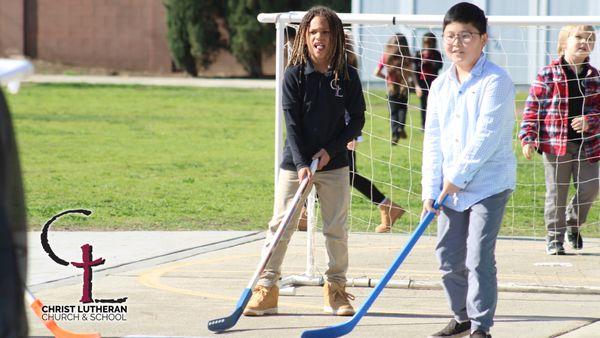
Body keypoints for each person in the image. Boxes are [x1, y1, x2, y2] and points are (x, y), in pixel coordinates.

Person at [243, 6, 365, 317]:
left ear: (335, 36)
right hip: (296, 164)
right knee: (280, 226)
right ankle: (266, 289)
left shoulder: (348, 75)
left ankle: (336, 291)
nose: (319, 38)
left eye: (325, 32)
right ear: (304, 37)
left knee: (335, 229)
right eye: (313, 33)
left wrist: (329, 152)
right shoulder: (294, 75)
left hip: (334, 163)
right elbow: (292, 124)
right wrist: (301, 164)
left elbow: (357, 121)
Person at [421, 3, 516, 338]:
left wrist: (456, 178)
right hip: (448, 190)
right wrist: (431, 189)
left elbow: (486, 137)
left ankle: (481, 325)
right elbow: (433, 139)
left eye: (465, 36)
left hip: (488, 185)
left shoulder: (496, 81)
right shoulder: (439, 86)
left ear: (483, 39)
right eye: (450, 36)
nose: (456, 43)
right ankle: (461, 316)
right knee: (447, 257)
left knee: (477, 257)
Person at [297, 33, 405, 234]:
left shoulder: (343, 65)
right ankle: (386, 206)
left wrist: (352, 136)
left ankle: (304, 213)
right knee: (342, 173)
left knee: (337, 172)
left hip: (341, 131)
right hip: (337, 131)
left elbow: (347, 105)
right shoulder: (338, 61)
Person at [519, 25, 600, 255]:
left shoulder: (594, 76)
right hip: (556, 144)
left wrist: (589, 120)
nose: (585, 41)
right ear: (564, 42)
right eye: (579, 37)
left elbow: (598, 109)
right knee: (557, 192)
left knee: (591, 187)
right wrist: (528, 137)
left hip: (588, 144)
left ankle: (572, 225)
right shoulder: (547, 73)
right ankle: (554, 238)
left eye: (590, 38)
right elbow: (532, 107)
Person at [375, 33, 421, 144]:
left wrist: (387, 78)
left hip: (391, 88)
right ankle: (400, 127)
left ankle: (395, 134)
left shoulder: (385, 57)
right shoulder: (407, 58)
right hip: (403, 87)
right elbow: (412, 73)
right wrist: (417, 85)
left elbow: (376, 72)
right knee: (402, 110)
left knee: (393, 112)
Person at [414, 32, 443, 129]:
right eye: (426, 42)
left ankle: (434, 124)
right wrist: (416, 85)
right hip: (422, 82)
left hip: (433, 82)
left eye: (430, 42)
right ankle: (424, 125)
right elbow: (414, 69)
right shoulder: (419, 53)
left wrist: (429, 62)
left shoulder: (436, 54)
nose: (428, 44)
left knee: (434, 104)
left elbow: (439, 66)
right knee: (423, 104)